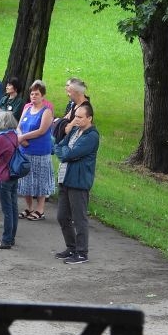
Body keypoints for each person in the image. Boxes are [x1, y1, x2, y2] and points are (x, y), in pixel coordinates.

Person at [53, 104, 99, 264]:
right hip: (65, 178)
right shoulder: (74, 131)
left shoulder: (91, 136)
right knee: (62, 217)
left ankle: (82, 252)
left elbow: (70, 153)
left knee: (79, 218)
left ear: (89, 118)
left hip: (79, 181)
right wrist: (64, 152)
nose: (76, 120)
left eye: (80, 117)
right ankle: (71, 247)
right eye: (75, 117)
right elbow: (59, 146)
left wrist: (65, 153)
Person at [17, 81, 55, 221]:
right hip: (25, 150)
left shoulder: (46, 111)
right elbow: (19, 125)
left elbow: (41, 131)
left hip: (40, 152)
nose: (34, 96)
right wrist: (21, 137)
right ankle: (29, 207)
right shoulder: (27, 108)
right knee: (25, 179)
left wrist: (23, 137)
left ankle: (40, 209)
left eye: (37, 94)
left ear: (42, 96)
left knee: (40, 180)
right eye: (32, 93)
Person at [0, 111, 20, 249]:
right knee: (13, 207)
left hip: (3, 174)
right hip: (13, 173)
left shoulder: (0, 138)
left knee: (7, 209)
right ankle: (11, 237)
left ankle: (6, 239)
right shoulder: (14, 135)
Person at [53, 77, 91, 144]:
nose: (67, 95)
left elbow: (68, 130)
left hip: (74, 144)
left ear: (78, 92)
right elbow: (65, 118)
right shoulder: (75, 104)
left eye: (69, 92)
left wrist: (62, 123)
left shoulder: (82, 109)